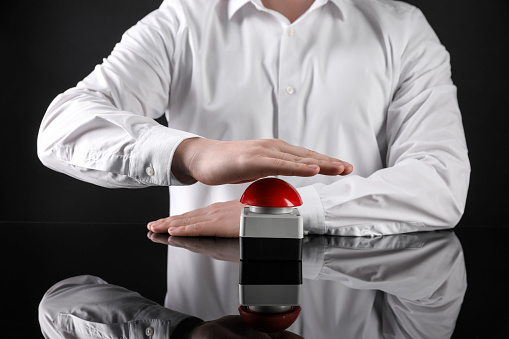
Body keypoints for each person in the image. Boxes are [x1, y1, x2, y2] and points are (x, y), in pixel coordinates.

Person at [37, 0, 470, 237]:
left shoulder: (402, 27)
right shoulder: (181, 19)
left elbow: (440, 182)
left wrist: (289, 216)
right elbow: (61, 129)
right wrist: (190, 153)